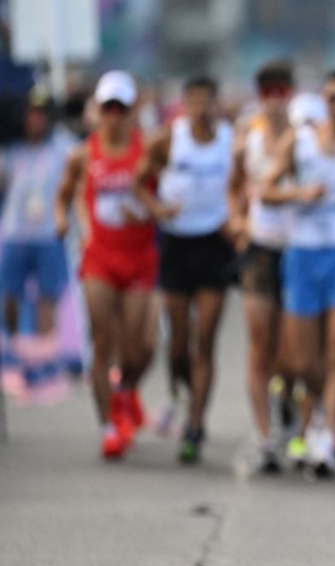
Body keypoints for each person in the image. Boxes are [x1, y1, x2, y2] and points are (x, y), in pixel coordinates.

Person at [261, 71, 335, 475]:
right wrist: (299, 194)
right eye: (332, 98)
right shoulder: (301, 142)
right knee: (302, 360)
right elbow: (265, 190)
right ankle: (312, 416)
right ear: (323, 99)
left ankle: (327, 435)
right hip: (303, 254)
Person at [55, 71, 159, 458]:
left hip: (139, 257)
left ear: (132, 111)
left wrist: (152, 212)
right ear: (97, 110)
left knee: (138, 350)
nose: (114, 115)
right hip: (99, 257)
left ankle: (126, 389)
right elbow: (64, 195)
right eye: (107, 108)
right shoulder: (82, 154)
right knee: (102, 344)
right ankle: (108, 427)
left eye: (121, 108)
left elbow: (164, 194)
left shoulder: (148, 151)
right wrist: (65, 220)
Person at [133, 75, 235, 463]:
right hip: (176, 243)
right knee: (178, 344)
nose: (200, 109)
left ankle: (195, 424)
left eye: (207, 102)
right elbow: (138, 181)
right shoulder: (168, 138)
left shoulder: (229, 139)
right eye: (193, 102)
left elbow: (242, 183)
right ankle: (181, 390)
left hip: (213, 243)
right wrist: (157, 209)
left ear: (215, 104)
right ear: (184, 105)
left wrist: (235, 217)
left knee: (204, 341)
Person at [226, 60, 295, 473]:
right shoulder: (245, 141)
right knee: (259, 344)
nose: (273, 100)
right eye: (266, 92)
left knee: (291, 351)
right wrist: (236, 219)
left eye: (280, 91)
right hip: (260, 250)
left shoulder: (306, 135)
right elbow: (234, 188)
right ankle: (264, 435)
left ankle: (285, 397)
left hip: (299, 250)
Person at [1, 88, 75, 402]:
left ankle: (45, 365)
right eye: (32, 113)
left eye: (42, 113)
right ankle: (17, 353)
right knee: (9, 298)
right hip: (15, 234)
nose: (37, 119)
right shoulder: (11, 149)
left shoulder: (64, 148)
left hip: (48, 235)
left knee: (47, 299)